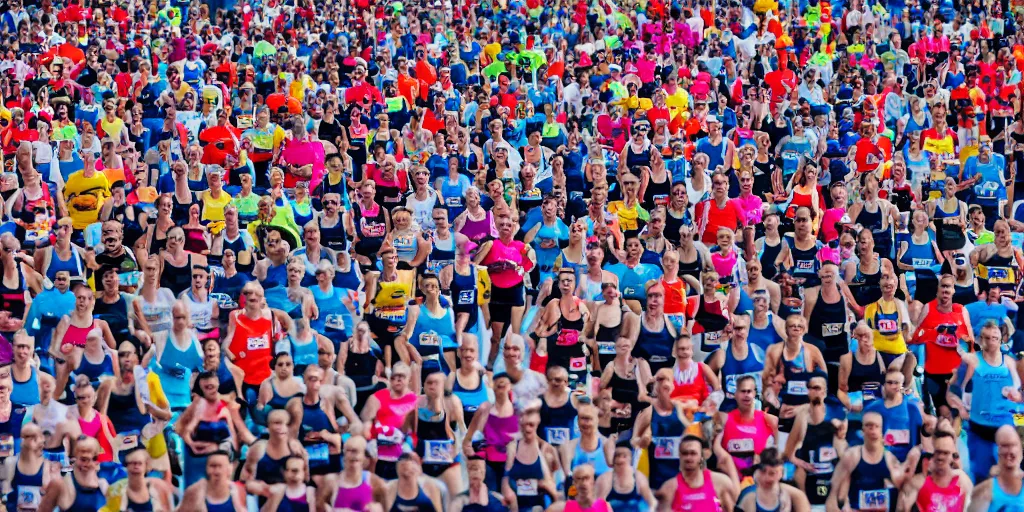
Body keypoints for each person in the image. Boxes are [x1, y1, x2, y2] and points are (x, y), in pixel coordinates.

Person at [958, 320, 1022, 484]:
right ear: (980, 340)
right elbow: (957, 389)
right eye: (987, 337)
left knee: (1009, 472)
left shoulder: (1008, 362)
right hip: (979, 428)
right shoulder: (971, 360)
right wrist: (961, 406)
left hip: (1004, 424)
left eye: (995, 337)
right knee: (981, 475)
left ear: (1001, 340)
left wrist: (1014, 392)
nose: (991, 341)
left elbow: (1017, 385)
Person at [783, 372, 847, 506]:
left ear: (824, 391)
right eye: (811, 388)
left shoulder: (836, 412)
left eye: (817, 388)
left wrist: (838, 429)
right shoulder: (802, 417)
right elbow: (788, 452)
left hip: (832, 469)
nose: (814, 391)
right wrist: (801, 463)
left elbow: (842, 438)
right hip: (809, 471)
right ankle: (804, 504)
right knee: (799, 471)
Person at [826, 411, 907, 512]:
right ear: (863, 430)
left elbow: (903, 495)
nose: (873, 430)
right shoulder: (852, 456)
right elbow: (833, 494)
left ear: (882, 430)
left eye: (876, 426)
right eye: (869, 426)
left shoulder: (891, 460)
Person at [656, 435, 739, 511]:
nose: (689, 458)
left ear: (702, 456)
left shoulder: (721, 482)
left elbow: (733, 505)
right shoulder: (669, 488)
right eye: (685, 453)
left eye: (693, 453)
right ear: (680, 456)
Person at [898, 430, 972, 511]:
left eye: (945, 453)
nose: (941, 457)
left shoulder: (962, 481)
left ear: (952, 456)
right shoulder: (915, 484)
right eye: (938, 452)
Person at [863, 368, 924, 463]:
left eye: (896, 383)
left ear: (902, 385)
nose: (893, 386)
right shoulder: (873, 409)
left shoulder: (912, 408)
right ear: (884, 385)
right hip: (880, 460)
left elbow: (921, 437)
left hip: (907, 461)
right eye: (889, 382)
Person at [966, 425, 1024, 511]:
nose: (1010, 451)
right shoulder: (984, 491)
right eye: (1005, 446)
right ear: (998, 451)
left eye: (1014, 445)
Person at [734, 448, 811, 512]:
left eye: (772, 473)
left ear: (781, 473)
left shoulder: (796, 496)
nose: (767, 477)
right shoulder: (747, 495)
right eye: (763, 471)